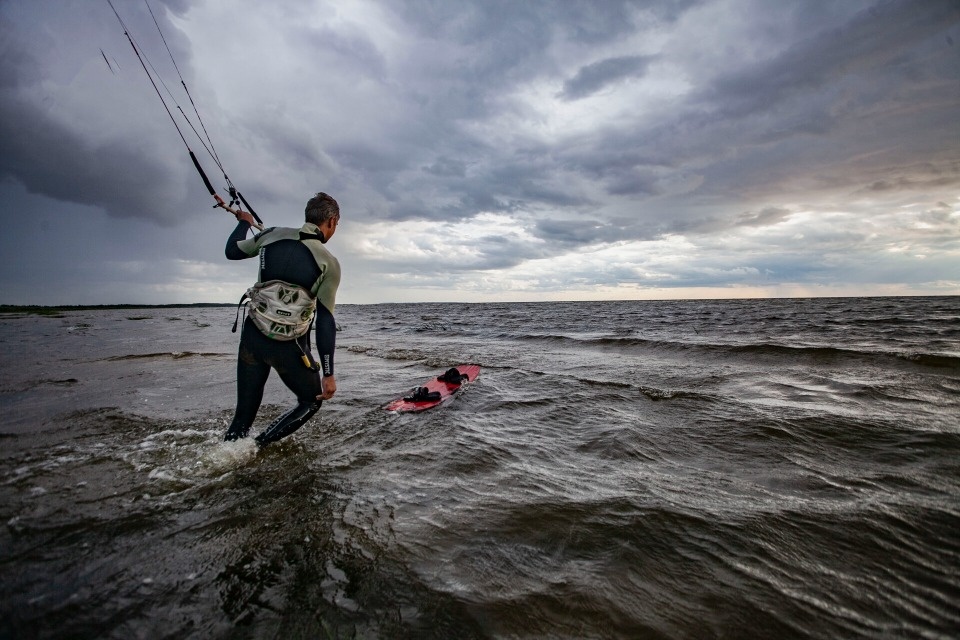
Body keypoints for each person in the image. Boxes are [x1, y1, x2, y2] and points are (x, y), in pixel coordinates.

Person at [222, 192, 341, 447]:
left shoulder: (271, 234)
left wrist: (244, 221)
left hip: (253, 338)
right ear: (330, 222)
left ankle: (229, 455)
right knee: (312, 400)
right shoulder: (329, 263)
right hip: (288, 347)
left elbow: (232, 251)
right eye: (336, 225)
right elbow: (325, 321)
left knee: (242, 418)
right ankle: (259, 447)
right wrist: (328, 373)